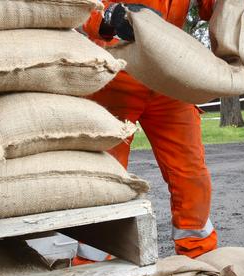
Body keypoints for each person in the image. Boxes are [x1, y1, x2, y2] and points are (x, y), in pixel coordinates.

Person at [81, 1, 218, 258]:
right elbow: (82, 8)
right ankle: (91, 260)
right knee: (105, 172)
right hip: (118, 69)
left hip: (169, 74)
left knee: (190, 171)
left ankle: (198, 255)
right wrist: (109, 19)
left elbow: (209, 8)